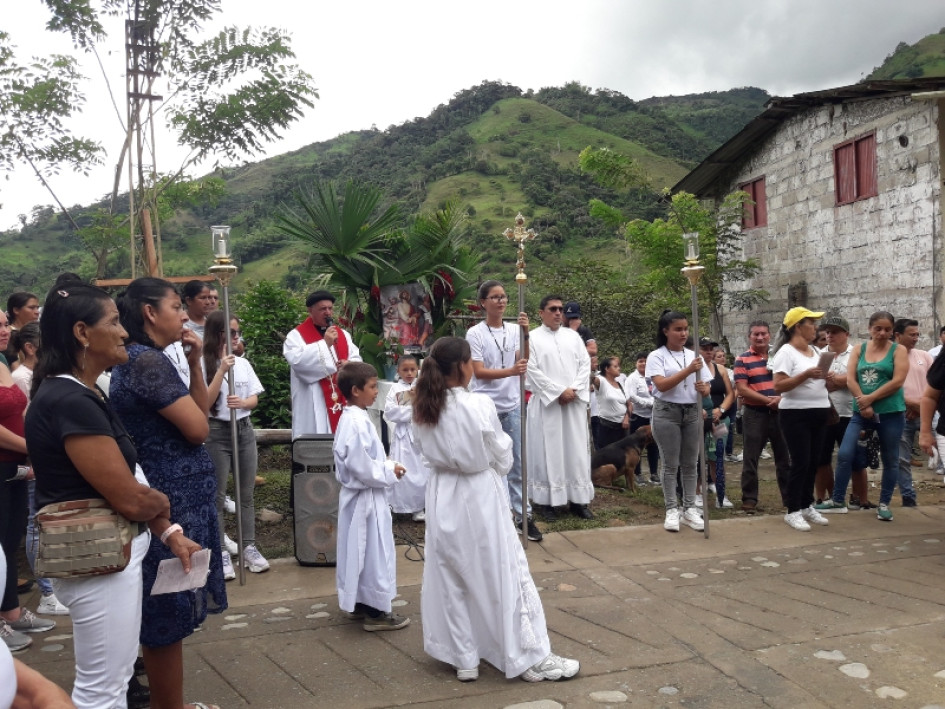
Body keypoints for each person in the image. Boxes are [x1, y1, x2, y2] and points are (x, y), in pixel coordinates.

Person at [25, 283, 204, 709]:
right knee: (103, 687)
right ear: (83, 333)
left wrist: (166, 530)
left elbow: (131, 478)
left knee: (114, 676)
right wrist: (160, 504)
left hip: (112, 557)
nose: (124, 333)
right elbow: (130, 497)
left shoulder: (82, 393)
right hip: (101, 564)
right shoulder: (70, 400)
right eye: (114, 323)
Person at [412, 336, 580, 683]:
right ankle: (526, 652)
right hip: (477, 491)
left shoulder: (423, 406)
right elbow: (503, 456)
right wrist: (487, 460)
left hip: (442, 492)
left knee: (451, 573)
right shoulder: (477, 405)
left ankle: (464, 657)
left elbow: (421, 449)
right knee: (501, 570)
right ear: (462, 366)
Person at [111, 277, 227, 709]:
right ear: (149, 312)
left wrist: (195, 364)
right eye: (177, 306)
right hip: (171, 500)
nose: (184, 315)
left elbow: (198, 412)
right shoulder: (145, 363)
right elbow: (198, 430)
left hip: (180, 495)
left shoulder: (155, 359)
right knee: (167, 615)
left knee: (171, 610)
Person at [333, 362, 409, 632]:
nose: (376, 391)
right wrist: (390, 469)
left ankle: (361, 601)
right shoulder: (355, 422)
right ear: (355, 390)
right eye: (373, 386)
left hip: (361, 497)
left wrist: (386, 465)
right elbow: (362, 467)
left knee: (360, 554)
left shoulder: (354, 417)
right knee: (373, 554)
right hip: (364, 498)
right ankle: (376, 611)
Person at [466, 281, 540, 540]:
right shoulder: (475, 333)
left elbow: (524, 359)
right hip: (485, 407)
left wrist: (526, 332)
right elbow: (479, 371)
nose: (500, 301)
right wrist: (510, 371)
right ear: (483, 302)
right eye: (494, 297)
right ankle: (492, 515)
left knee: (517, 461)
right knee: (486, 463)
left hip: (511, 405)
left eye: (504, 296)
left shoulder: (512, 330)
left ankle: (524, 515)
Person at [817, 311, 907, 521]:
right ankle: (838, 499)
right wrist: (862, 400)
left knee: (890, 458)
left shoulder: (898, 350)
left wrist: (870, 399)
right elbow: (851, 378)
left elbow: (897, 381)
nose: (882, 333)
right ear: (869, 329)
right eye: (878, 328)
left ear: (892, 331)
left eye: (887, 329)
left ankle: (884, 503)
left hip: (890, 411)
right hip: (860, 412)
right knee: (846, 453)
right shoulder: (860, 349)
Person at [203, 312, 268, 581]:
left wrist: (243, 404)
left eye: (237, 332)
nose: (236, 337)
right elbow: (203, 403)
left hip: (243, 429)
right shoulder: (200, 363)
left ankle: (248, 546)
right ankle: (220, 553)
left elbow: (254, 396)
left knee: (246, 494)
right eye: (230, 332)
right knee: (218, 496)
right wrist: (220, 370)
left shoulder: (243, 363)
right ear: (216, 334)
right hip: (216, 432)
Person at [10, 324, 69, 617]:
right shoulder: (22, 377)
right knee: (36, 524)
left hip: (40, 454)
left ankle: (54, 588)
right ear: (32, 347)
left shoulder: (35, 375)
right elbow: (25, 418)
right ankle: (47, 591)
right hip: (31, 457)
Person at [526, 295, 594, 520]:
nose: (558, 313)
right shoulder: (531, 338)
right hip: (548, 405)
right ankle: (547, 502)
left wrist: (573, 389)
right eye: (552, 309)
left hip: (573, 402)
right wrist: (557, 391)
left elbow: (585, 364)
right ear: (541, 313)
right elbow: (531, 369)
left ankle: (578, 499)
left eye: (560, 309)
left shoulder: (573, 337)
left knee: (575, 450)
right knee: (548, 450)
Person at [646, 310, 712, 533]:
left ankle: (690, 508)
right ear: (666, 331)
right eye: (678, 329)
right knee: (670, 463)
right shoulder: (657, 356)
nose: (683, 333)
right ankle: (671, 509)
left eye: (685, 328)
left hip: (692, 412)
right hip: (667, 412)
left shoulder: (694, 356)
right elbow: (661, 385)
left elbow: (707, 385)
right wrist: (688, 371)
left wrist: (704, 389)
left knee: (691, 463)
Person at [769, 308, 831, 531]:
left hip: (819, 409)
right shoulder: (786, 352)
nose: (815, 328)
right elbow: (778, 385)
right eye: (811, 323)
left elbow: (820, 382)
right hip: (796, 413)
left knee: (814, 461)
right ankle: (792, 509)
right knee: (800, 461)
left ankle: (806, 504)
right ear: (797, 326)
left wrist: (827, 377)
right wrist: (806, 375)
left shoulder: (815, 351)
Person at [814, 316, 874, 510]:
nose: (830, 335)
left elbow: (858, 378)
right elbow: (816, 382)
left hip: (851, 412)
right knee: (822, 458)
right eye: (828, 332)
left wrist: (838, 380)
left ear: (846, 334)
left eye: (835, 332)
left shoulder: (855, 353)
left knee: (856, 458)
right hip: (825, 412)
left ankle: (860, 499)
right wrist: (838, 381)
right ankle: (830, 497)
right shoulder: (819, 355)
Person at [283, 290, 362, 437]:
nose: (327, 312)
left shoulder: (343, 335)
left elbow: (357, 360)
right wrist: (324, 344)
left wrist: (349, 365)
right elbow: (298, 363)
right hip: (313, 401)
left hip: (342, 399)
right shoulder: (296, 336)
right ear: (310, 310)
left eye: (330, 308)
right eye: (322, 309)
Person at [733, 321, 791, 514]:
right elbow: (742, 389)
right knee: (750, 457)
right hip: (754, 413)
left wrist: (780, 399)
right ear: (749, 336)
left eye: (763, 334)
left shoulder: (780, 355)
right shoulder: (742, 359)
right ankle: (749, 499)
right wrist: (768, 400)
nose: (760, 337)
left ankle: (790, 498)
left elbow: (789, 382)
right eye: (755, 334)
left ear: (769, 335)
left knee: (784, 458)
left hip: (781, 413)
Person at [383, 355, 430, 522]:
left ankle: (419, 507)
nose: (409, 373)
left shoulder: (423, 387)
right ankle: (397, 505)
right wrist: (411, 406)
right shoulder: (394, 389)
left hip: (420, 432)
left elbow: (430, 407)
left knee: (422, 470)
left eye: (412, 369)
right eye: (405, 370)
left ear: (418, 369)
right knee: (403, 470)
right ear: (398, 371)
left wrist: (418, 403)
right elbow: (389, 411)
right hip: (403, 435)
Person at [893, 318, 931, 507]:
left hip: (929, 415)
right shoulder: (889, 358)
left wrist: (921, 407)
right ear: (898, 335)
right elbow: (887, 387)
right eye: (912, 334)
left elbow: (936, 385)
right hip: (902, 415)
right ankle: (909, 498)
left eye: (917, 334)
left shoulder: (924, 356)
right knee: (902, 460)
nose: (916, 338)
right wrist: (909, 405)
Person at [699, 338, 736, 508]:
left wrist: (720, 409)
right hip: (700, 420)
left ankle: (721, 494)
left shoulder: (721, 369)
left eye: (710, 348)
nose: (708, 351)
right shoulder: (694, 370)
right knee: (698, 457)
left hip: (720, 419)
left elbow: (730, 394)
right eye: (704, 348)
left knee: (717, 456)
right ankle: (697, 492)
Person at [626, 351, 660, 484]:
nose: (643, 363)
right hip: (638, 416)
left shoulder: (653, 377)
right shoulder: (632, 378)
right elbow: (631, 396)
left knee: (654, 445)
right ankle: (638, 473)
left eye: (646, 361)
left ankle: (654, 473)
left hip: (653, 416)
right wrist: (649, 403)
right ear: (636, 363)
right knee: (637, 446)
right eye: (640, 361)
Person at [596, 356, 632, 450]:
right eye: (615, 366)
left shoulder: (620, 384)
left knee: (622, 456)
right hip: (607, 427)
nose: (619, 368)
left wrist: (627, 418)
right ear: (607, 369)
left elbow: (629, 404)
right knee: (607, 456)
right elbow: (592, 379)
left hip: (623, 428)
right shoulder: (602, 381)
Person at [4, 292, 40, 367]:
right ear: (16, 310)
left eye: (37, 308)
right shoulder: (7, 335)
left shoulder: (37, 332)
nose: (37, 312)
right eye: (31, 308)